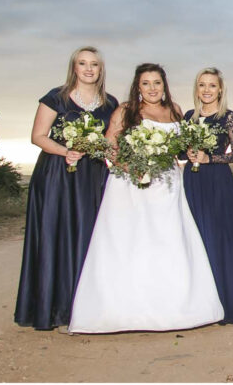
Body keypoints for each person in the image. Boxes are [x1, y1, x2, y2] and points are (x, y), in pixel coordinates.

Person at [68, 63, 223, 333]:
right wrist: (130, 166)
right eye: (146, 83)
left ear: (164, 85)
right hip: (131, 185)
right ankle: (124, 312)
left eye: (157, 83)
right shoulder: (126, 110)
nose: (152, 88)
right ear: (137, 87)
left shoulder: (175, 110)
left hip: (168, 186)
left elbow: (181, 147)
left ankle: (177, 309)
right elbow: (108, 146)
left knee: (169, 241)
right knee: (131, 244)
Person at [15, 46, 119, 331]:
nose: (89, 69)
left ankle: (87, 309)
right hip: (57, 174)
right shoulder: (56, 97)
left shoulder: (110, 103)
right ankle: (57, 311)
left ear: (101, 69)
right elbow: (38, 136)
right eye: (83, 63)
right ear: (74, 67)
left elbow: (112, 141)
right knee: (57, 236)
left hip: (92, 176)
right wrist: (65, 151)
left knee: (89, 235)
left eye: (94, 64)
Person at [183, 67, 233, 324]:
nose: (206, 90)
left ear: (220, 89)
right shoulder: (189, 117)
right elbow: (180, 151)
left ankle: (227, 305)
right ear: (196, 88)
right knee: (195, 238)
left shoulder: (228, 117)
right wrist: (189, 153)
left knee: (220, 239)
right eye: (202, 85)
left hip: (218, 182)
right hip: (192, 181)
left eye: (212, 85)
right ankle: (201, 308)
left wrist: (209, 158)